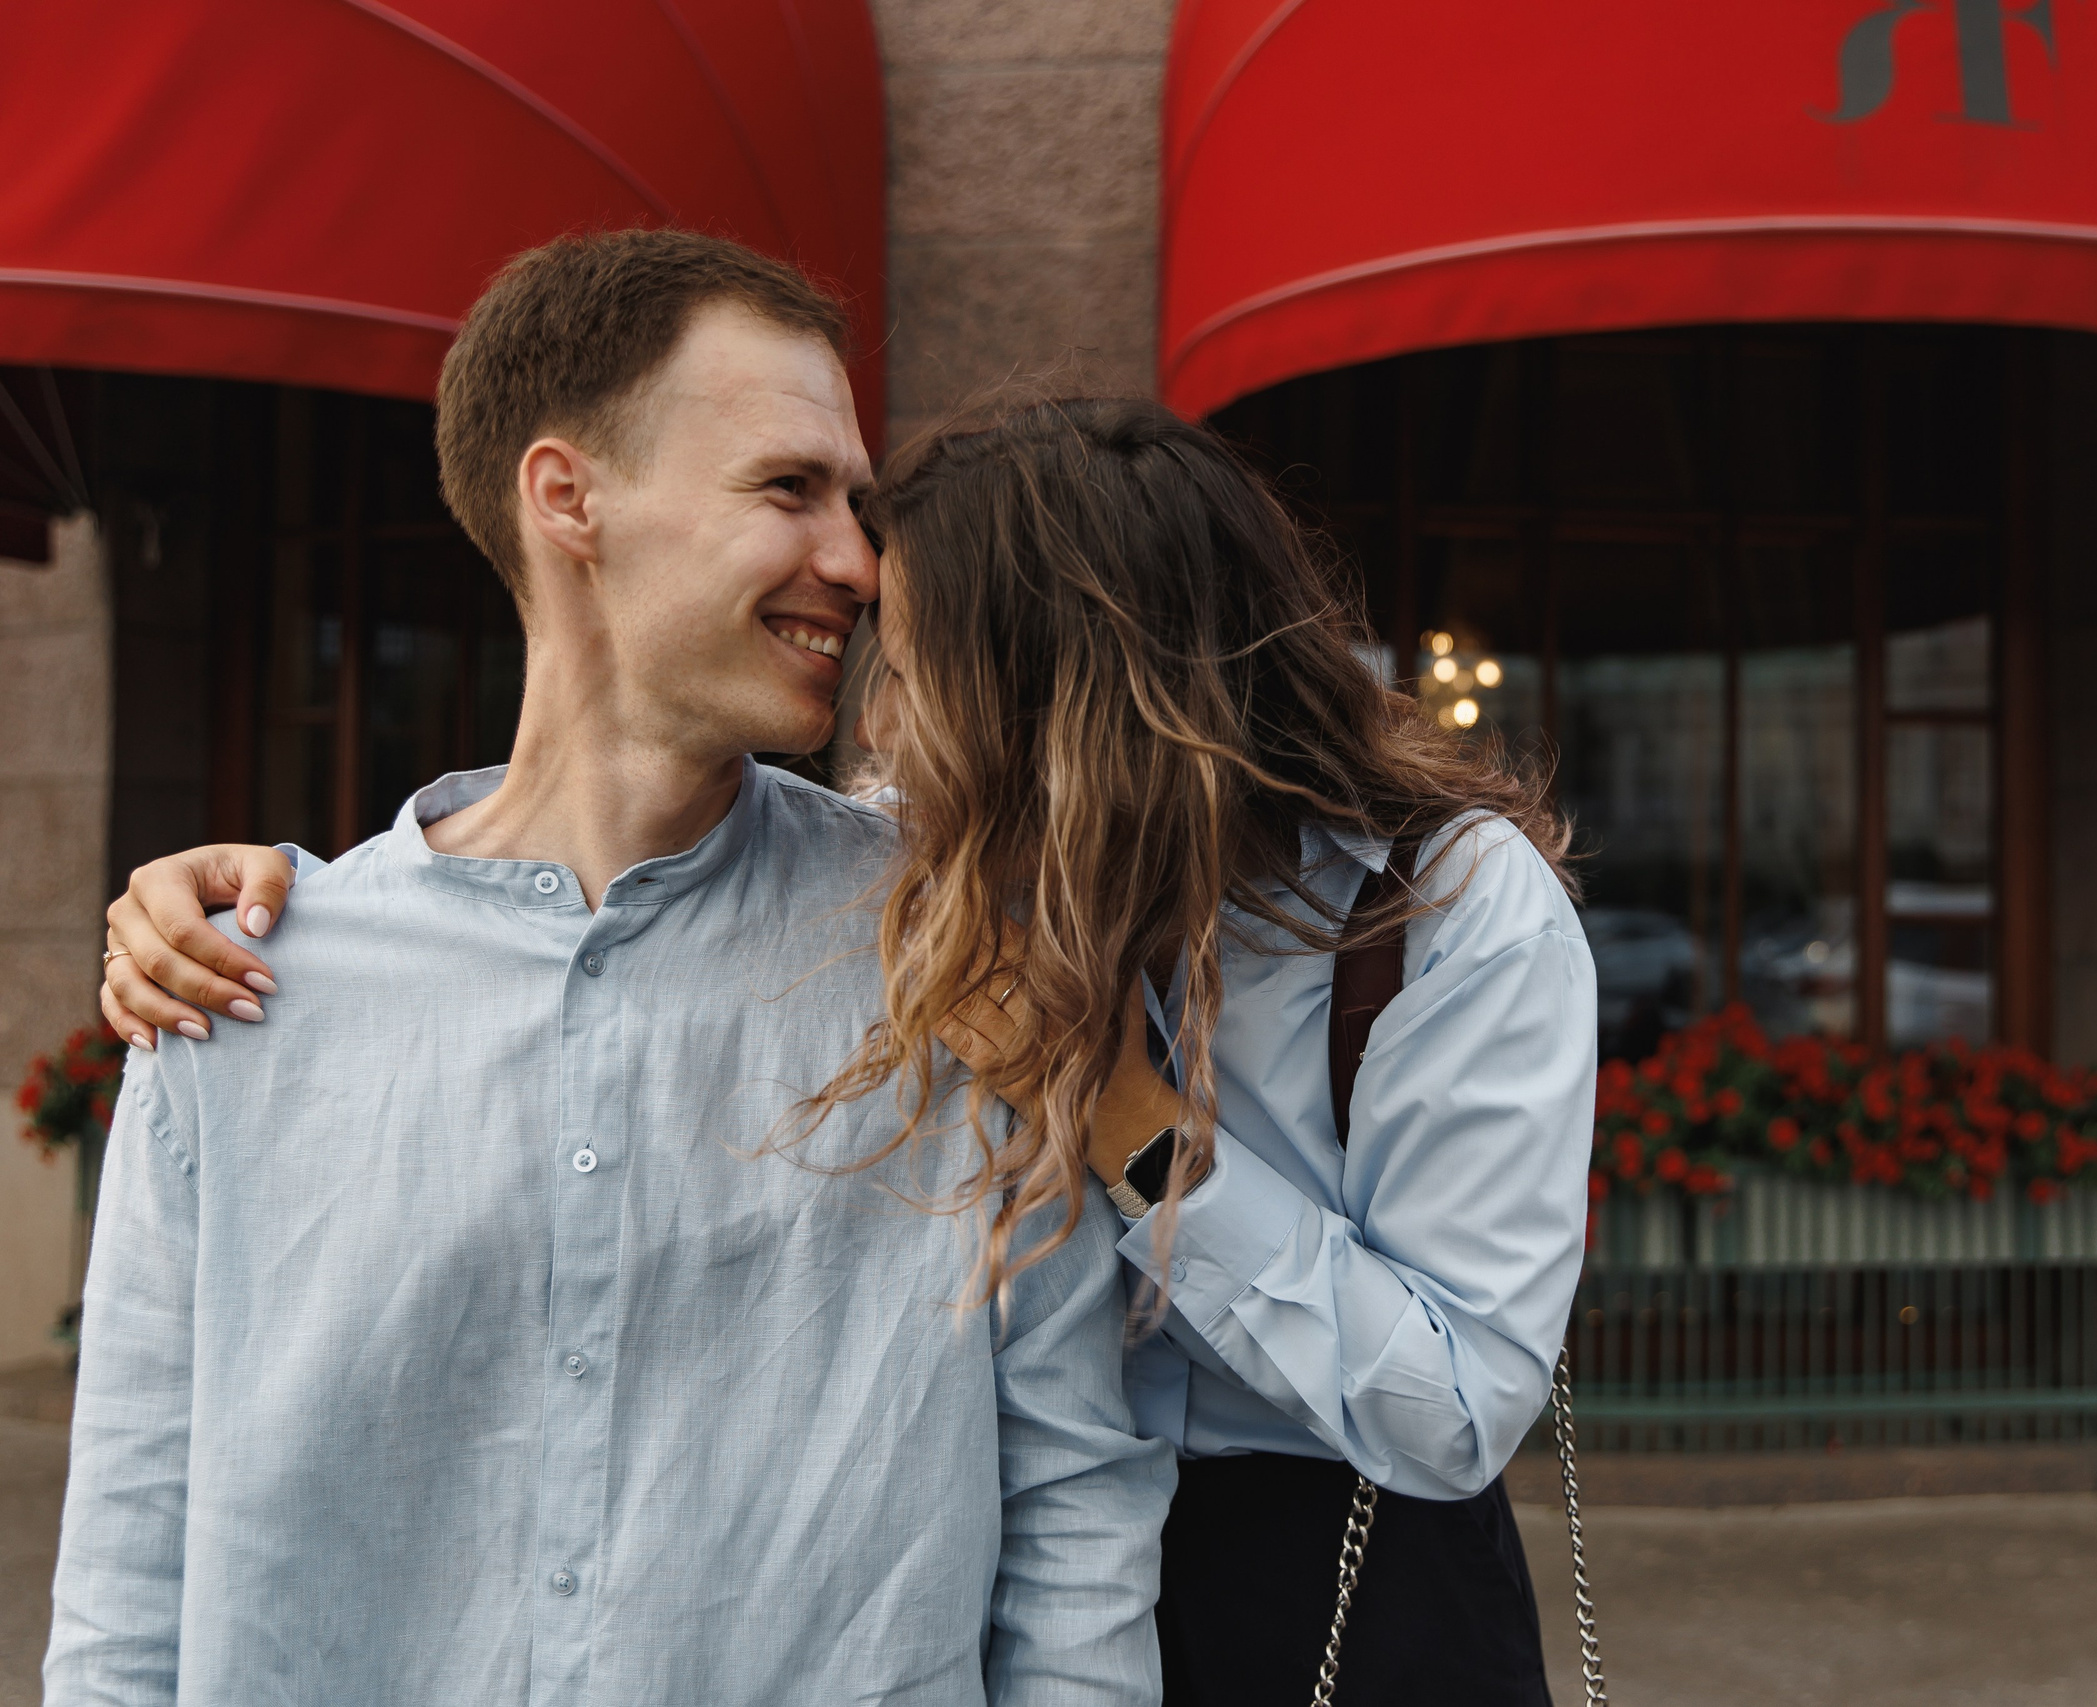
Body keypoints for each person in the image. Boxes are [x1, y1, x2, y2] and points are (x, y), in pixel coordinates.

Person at [105, 400, 1597, 1704]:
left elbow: (1454, 1409)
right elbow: (617, 846)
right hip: (1055, 1559)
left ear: (1066, 692)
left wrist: (1135, 1130)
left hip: (1337, 1568)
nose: (888, 715)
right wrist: (305, 892)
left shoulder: (1452, 912)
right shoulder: (962, 862)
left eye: (926, 665)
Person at [53, 230, 1172, 1707]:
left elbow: (1073, 1505)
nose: (859, 561)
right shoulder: (245, 990)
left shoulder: (952, 946)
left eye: (859, 504)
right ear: (567, 496)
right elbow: (132, 1570)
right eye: (790, 489)